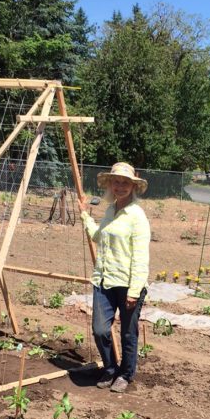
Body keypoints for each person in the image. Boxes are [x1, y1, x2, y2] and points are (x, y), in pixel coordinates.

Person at [77, 162, 151, 393]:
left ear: (133, 186)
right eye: (116, 182)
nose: (120, 186)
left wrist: (134, 290)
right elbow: (100, 237)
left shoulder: (136, 216)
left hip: (128, 284)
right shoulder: (111, 210)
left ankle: (126, 375)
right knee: (100, 329)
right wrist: (84, 215)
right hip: (104, 281)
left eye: (125, 182)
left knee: (128, 333)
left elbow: (141, 256)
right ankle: (110, 368)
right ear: (110, 184)